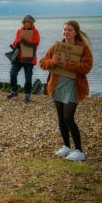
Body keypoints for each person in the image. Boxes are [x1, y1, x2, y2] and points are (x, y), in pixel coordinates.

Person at [39, 20, 93, 161]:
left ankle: (79, 151)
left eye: (69, 30)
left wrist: (67, 64)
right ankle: (67, 147)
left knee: (68, 117)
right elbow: (42, 63)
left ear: (75, 32)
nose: (66, 32)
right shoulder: (57, 46)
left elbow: (86, 67)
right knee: (61, 117)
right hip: (57, 85)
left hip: (73, 86)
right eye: (64, 29)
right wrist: (53, 62)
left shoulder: (82, 48)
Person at [6, 15, 40, 103]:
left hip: (29, 59)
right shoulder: (19, 31)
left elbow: (35, 43)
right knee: (12, 74)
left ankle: (27, 96)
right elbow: (14, 44)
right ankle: (14, 92)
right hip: (18, 58)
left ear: (30, 22)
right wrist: (18, 40)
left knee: (28, 78)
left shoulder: (35, 32)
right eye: (22, 22)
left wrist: (24, 40)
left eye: (25, 22)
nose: (23, 23)